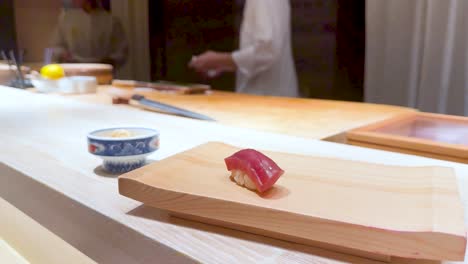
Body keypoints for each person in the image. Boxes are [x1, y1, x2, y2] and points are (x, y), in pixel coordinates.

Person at [188, 0, 298, 97]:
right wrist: (225, 64)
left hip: (267, 101)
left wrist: (220, 60)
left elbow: (268, 50)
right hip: (267, 99)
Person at [50, 0, 128, 69]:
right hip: (74, 71)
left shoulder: (111, 20)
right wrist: (65, 56)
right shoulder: (66, 19)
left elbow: (121, 50)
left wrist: (109, 61)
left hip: (102, 71)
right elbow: (56, 46)